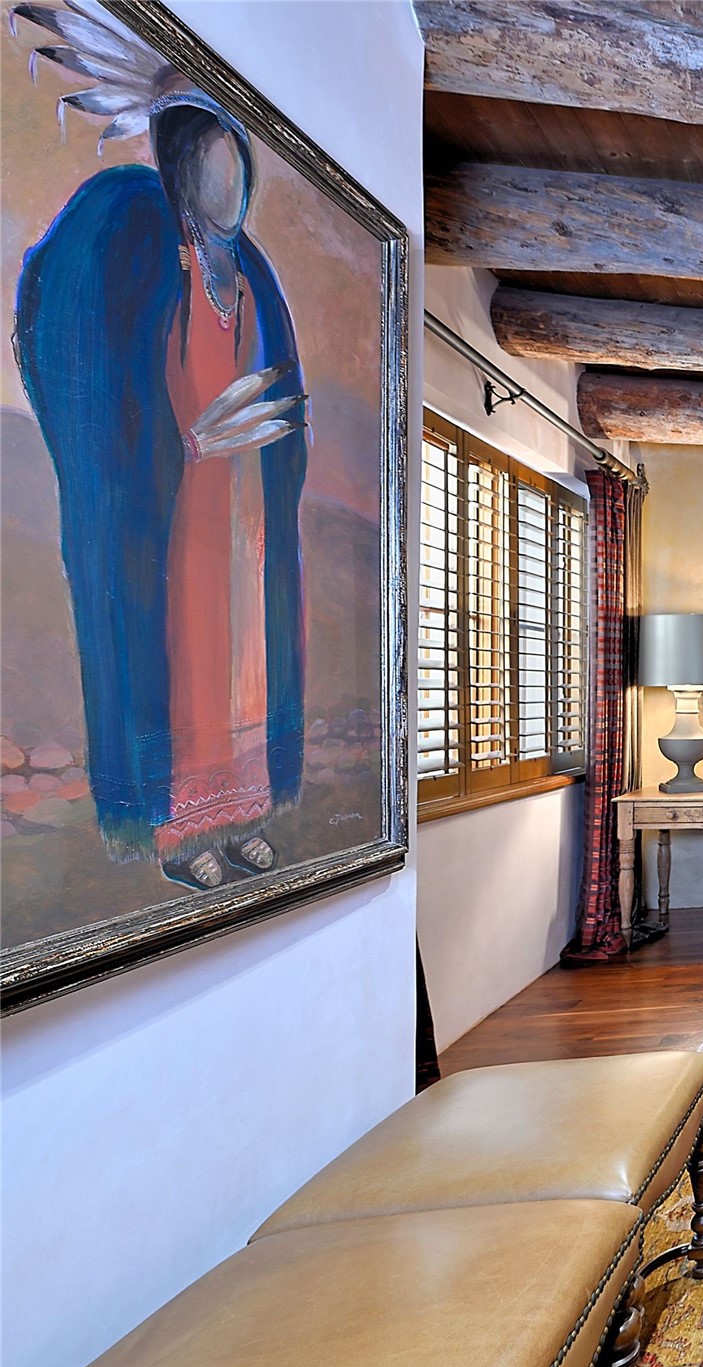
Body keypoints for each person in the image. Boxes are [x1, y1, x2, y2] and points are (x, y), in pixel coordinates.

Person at [13, 1, 308, 890]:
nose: (228, 182)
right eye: (210, 158)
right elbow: (80, 359)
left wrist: (269, 446)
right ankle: (182, 833)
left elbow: (279, 387)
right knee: (181, 664)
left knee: (243, 664)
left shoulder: (252, 272)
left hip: (244, 511)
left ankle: (241, 813)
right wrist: (180, 444)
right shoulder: (130, 232)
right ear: (179, 158)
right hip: (170, 505)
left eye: (236, 161)